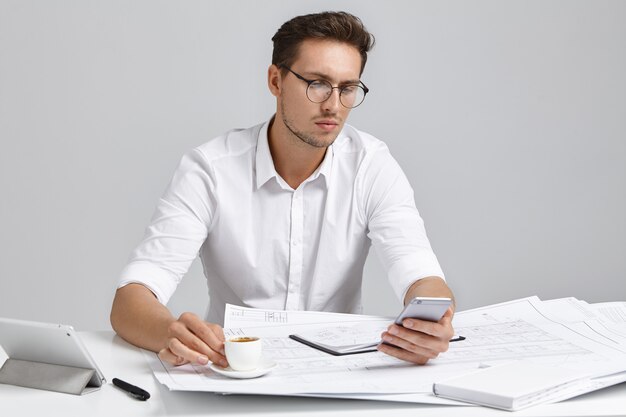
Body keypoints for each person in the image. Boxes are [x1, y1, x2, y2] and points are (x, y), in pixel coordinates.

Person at [110, 11, 455, 369]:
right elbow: (132, 298)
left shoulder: (372, 166)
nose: (333, 106)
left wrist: (433, 321)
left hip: (339, 374)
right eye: (317, 83)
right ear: (276, 81)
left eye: (348, 88)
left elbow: (420, 274)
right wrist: (171, 333)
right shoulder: (210, 169)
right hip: (233, 370)